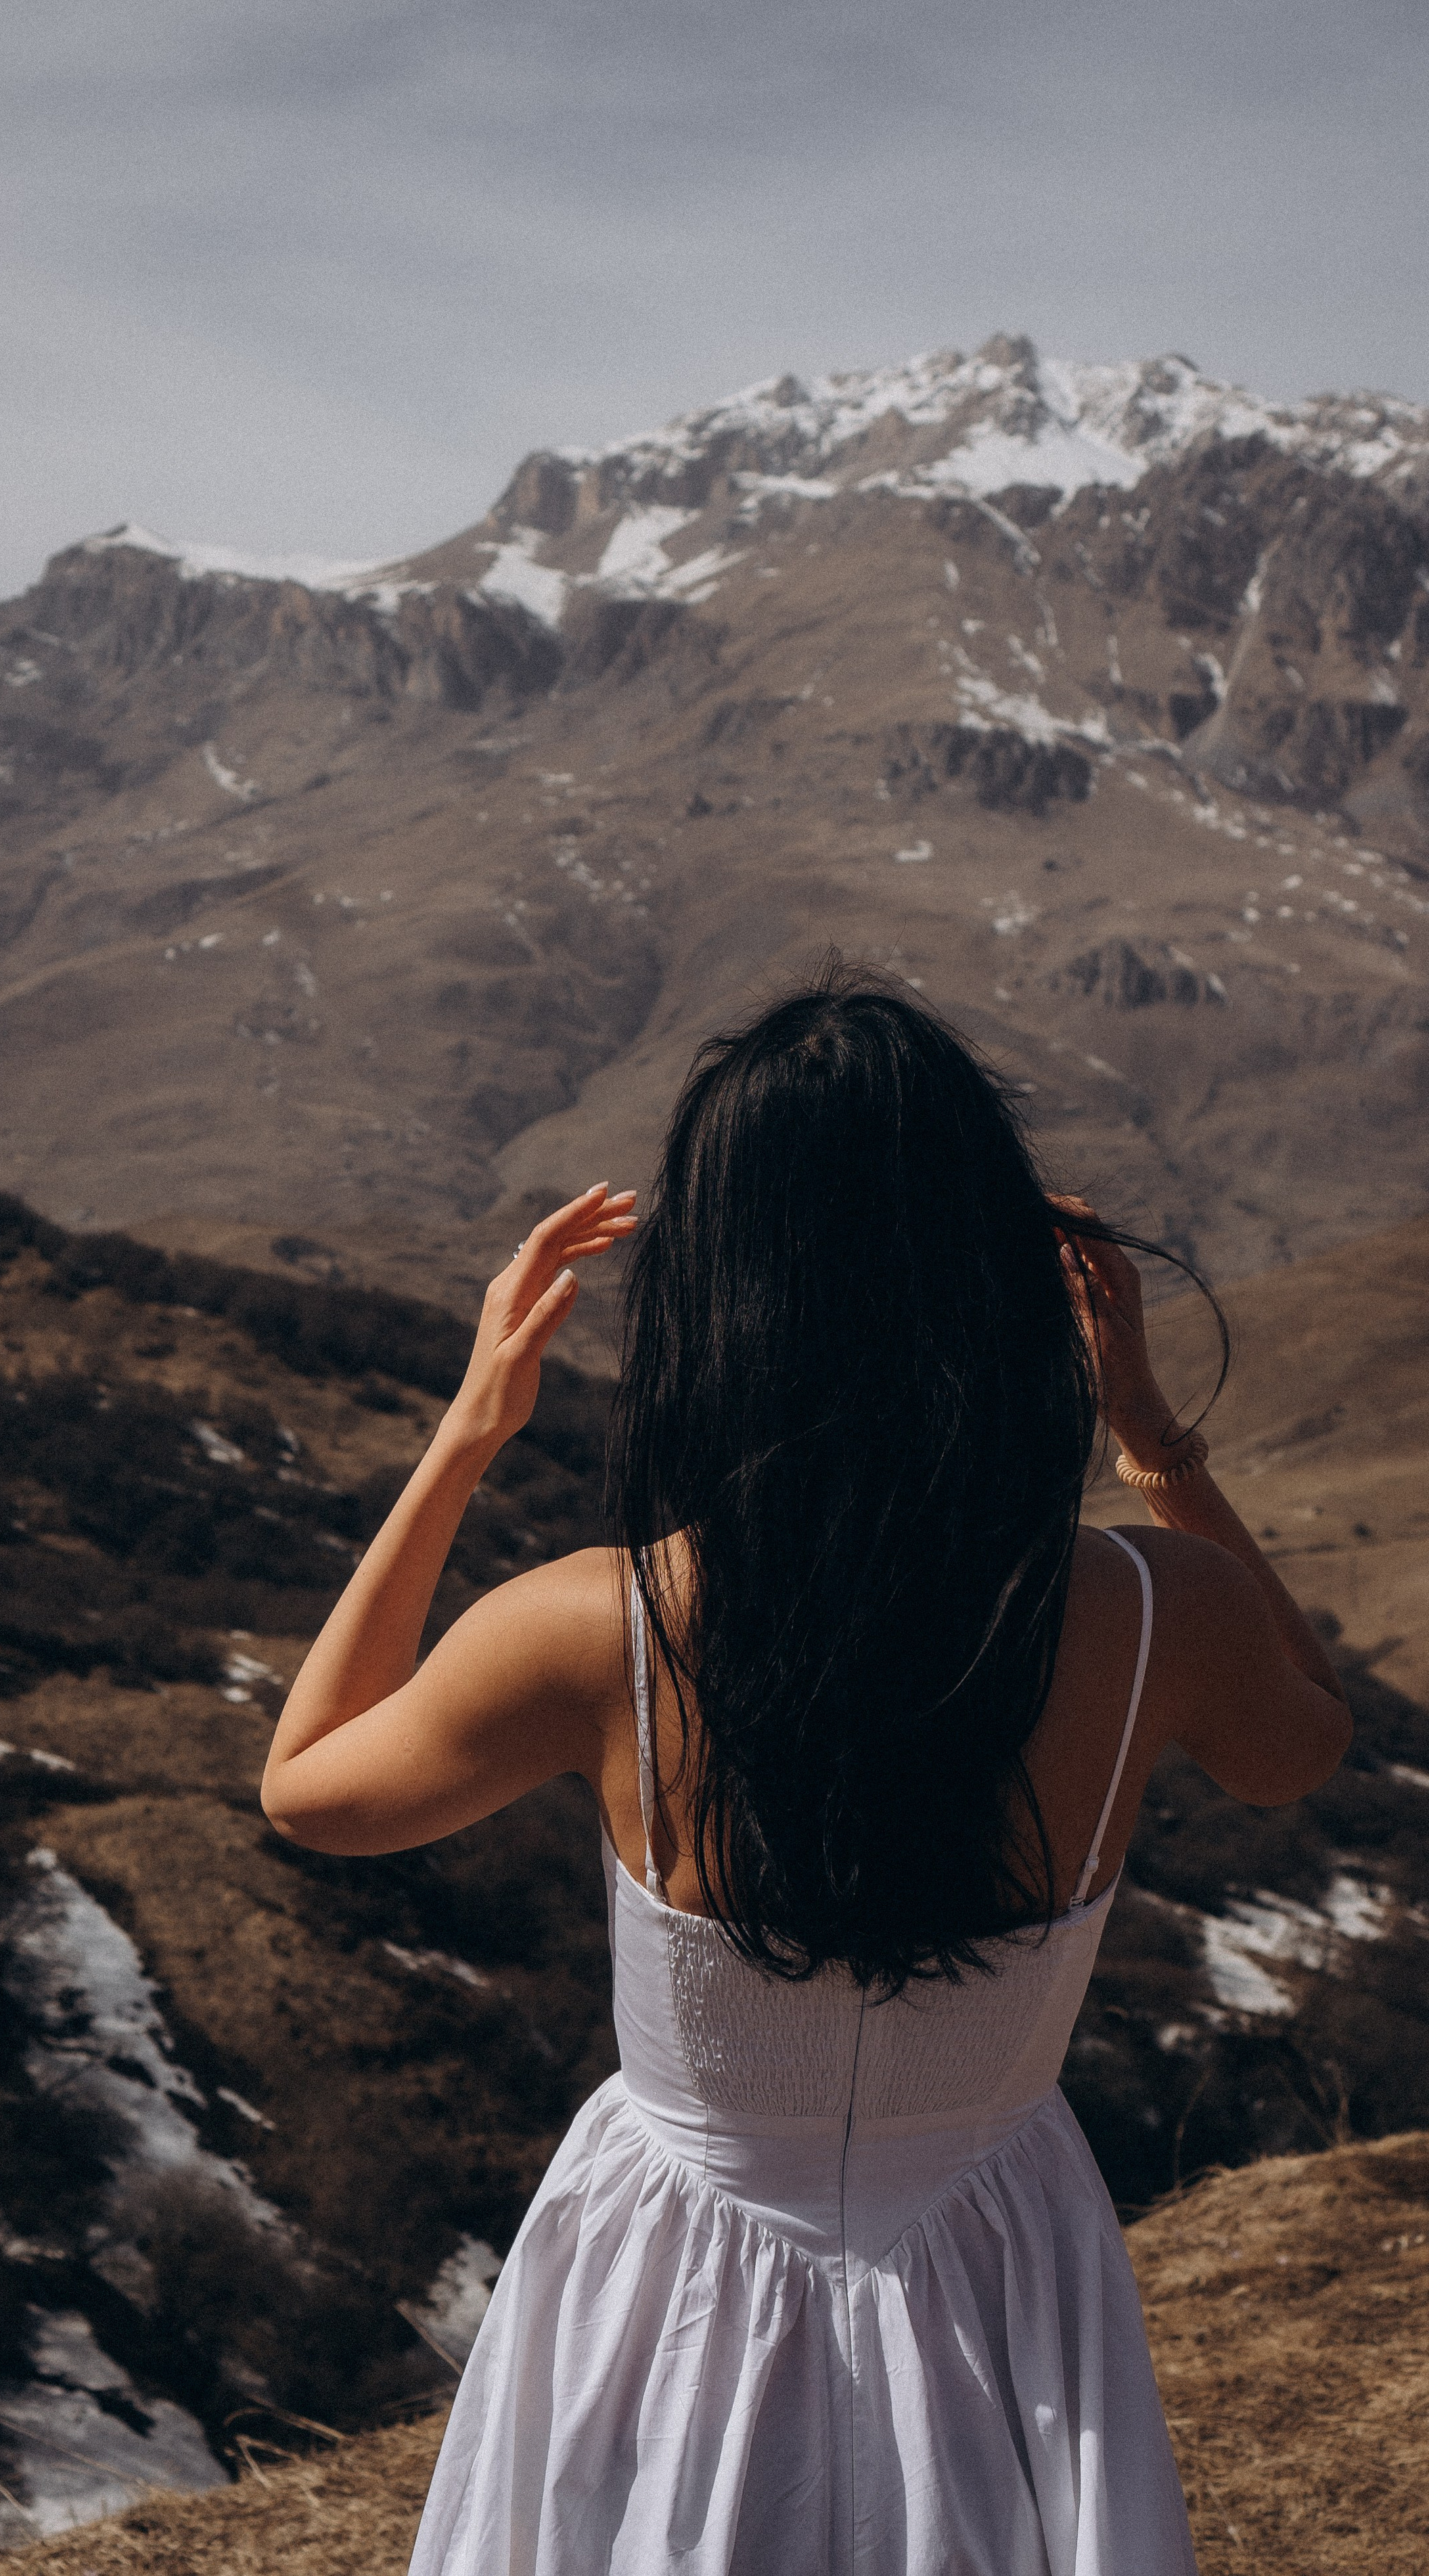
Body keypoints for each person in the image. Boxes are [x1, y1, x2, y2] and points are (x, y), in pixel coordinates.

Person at [260, 968, 1350, 2576]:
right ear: (998, 1274)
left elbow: (306, 1787)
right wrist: (1149, 1439)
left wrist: (467, 1433)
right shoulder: (1152, 1610)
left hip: (667, 2281)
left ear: (721, 1293)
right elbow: (1298, 1744)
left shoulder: (595, 1623)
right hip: (997, 2263)